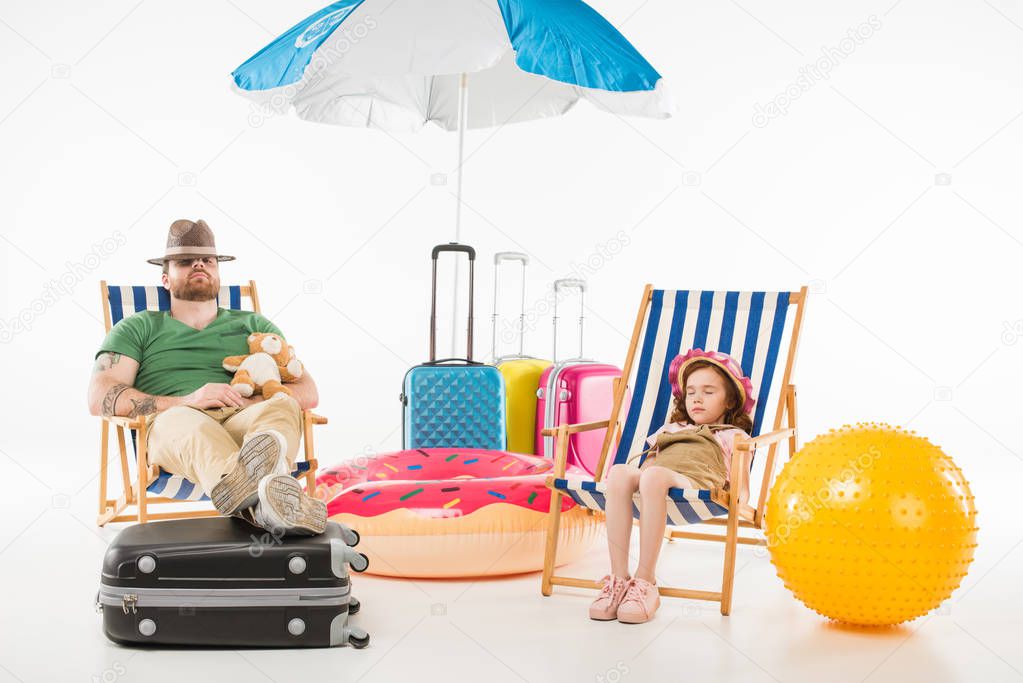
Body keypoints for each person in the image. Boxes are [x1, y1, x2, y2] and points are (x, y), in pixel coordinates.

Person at [87, 218, 326, 535]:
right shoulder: (138, 327)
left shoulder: (254, 325)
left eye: (207, 260)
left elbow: (307, 390)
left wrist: (250, 400)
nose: (199, 264)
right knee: (189, 421)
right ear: (166, 280)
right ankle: (276, 501)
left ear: (217, 272)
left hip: (244, 419)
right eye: (185, 261)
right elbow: (98, 396)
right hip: (174, 421)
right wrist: (186, 400)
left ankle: (257, 496)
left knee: (282, 404)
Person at [590, 348, 755, 623]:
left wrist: (740, 499)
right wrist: (639, 482)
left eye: (708, 391)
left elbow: (742, 484)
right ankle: (619, 580)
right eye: (691, 392)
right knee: (619, 472)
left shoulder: (733, 435)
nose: (697, 398)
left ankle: (646, 582)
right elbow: (647, 466)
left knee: (654, 477)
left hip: (697, 482)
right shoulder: (671, 429)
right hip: (657, 481)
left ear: (729, 402)